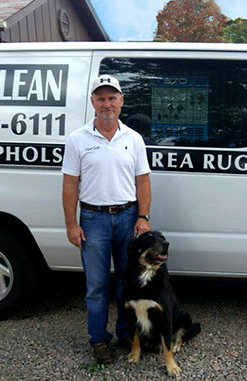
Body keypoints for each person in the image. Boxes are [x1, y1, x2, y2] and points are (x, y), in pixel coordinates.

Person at [61, 74, 152, 365]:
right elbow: (70, 185)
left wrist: (143, 217)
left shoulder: (134, 139)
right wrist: (71, 224)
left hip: (127, 218)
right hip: (93, 220)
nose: (107, 104)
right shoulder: (77, 139)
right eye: (100, 98)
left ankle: (125, 334)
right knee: (97, 286)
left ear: (121, 102)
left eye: (112, 98)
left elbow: (143, 182)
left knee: (127, 284)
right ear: (93, 102)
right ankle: (99, 340)